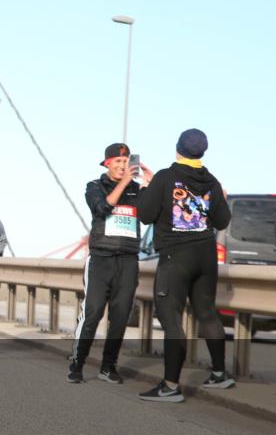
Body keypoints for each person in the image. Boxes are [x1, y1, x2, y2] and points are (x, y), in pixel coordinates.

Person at [138, 129, 235, 402]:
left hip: (175, 257)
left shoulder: (165, 178)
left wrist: (147, 186)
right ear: (202, 152)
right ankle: (219, 374)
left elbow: (145, 215)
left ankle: (170, 386)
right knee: (207, 314)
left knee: (171, 320)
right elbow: (223, 221)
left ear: (177, 148)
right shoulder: (212, 182)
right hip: (205, 256)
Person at [68, 143, 152, 384]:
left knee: (121, 314)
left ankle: (108, 366)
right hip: (101, 258)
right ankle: (77, 363)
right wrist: (124, 183)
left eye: (126, 162)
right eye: (117, 162)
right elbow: (101, 208)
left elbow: (148, 215)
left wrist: (150, 183)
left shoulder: (136, 189)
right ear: (107, 163)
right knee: (92, 313)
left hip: (127, 259)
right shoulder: (94, 186)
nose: (122, 166)